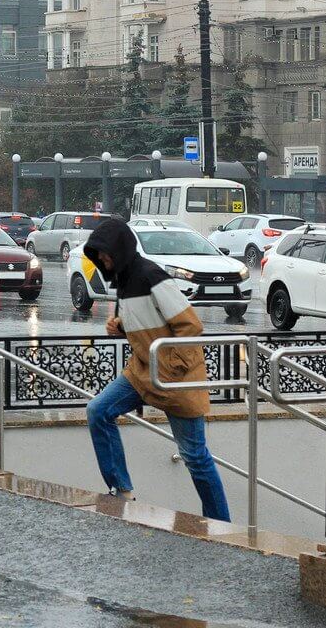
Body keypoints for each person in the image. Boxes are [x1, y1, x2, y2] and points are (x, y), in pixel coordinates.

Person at [81, 219, 230, 522]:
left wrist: (172, 367)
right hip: (141, 373)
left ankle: (221, 524)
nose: (103, 260)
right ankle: (121, 489)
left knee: (195, 457)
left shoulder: (151, 275)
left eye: (106, 254)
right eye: (99, 256)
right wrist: (120, 326)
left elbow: (190, 325)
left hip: (176, 378)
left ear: (119, 250)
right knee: (99, 410)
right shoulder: (122, 280)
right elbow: (147, 322)